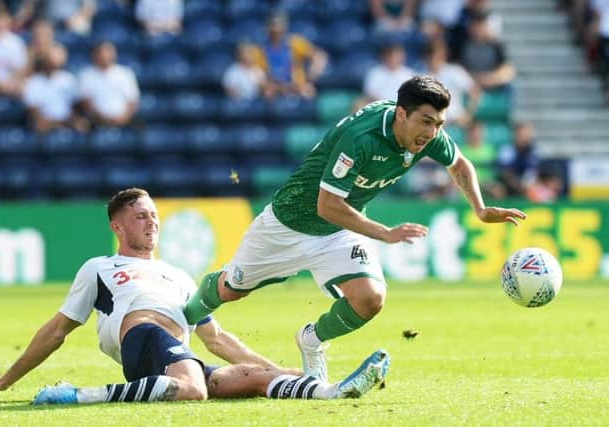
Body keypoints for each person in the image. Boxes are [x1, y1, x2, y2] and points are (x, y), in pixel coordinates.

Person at [184, 76, 526, 382]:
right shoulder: (361, 138)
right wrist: (385, 233)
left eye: (439, 123)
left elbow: (459, 164)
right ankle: (186, 313)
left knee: (370, 299)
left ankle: (311, 340)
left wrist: (480, 209)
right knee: (232, 288)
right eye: (426, 122)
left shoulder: (425, 134)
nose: (432, 133)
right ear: (401, 114)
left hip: (337, 230)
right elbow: (326, 205)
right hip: (287, 225)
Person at [0, 188, 389, 405]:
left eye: (154, 215)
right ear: (118, 227)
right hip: (143, 340)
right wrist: (4, 380)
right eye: (140, 217)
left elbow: (217, 340)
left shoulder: (178, 275)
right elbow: (57, 330)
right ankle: (77, 395)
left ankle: (329, 390)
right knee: (193, 389)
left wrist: (279, 368)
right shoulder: (98, 268)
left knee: (253, 379)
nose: (151, 222)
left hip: (175, 360)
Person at [250, 12, 328, 99]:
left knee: (308, 92)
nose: (276, 30)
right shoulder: (260, 49)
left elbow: (319, 56)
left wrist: (311, 76)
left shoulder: (295, 43)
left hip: (296, 86)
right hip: (274, 87)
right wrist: (270, 85)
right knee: (267, 93)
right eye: (273, 26)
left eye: (279, 27)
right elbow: (256, 72)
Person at [23, 45, 89, 133]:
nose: (51, 63)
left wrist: (73, 121)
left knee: (82, 125)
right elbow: (34, 112)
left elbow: (76, 106)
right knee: (40, 125)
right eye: (49, 60)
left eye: (55, 60)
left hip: (67, 122)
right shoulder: (34, 82)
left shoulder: (68, 79)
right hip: (46, 124)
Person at [78, 41, 140, 128]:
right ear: (95, 55)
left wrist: (123, 118)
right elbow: (86, 103)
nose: (105, 56)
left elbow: (133, 101)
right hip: (96, 122)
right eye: (102, 52)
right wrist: (103, 119)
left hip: (125, 121)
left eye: (108, 52)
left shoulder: (125, 73)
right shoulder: (86, 75)